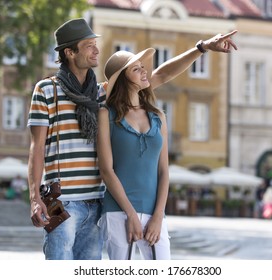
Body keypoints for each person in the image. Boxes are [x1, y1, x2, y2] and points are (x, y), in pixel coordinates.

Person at [27, 17, 237, 260]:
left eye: (96, 43)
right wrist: (34, 198)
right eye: (89, 45)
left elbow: (160, 75)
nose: (97, 49)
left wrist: (201, 48)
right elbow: (37, 148)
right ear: (70, 52)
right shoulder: (46, 90)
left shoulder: (99, 93)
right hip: (61, 202)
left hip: (96, 202)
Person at [97, 31, 237, 259]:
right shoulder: (106, 114)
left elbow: (164, 171)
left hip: (154, 213)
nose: (145, 71)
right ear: (122, 78)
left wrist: (159, 216)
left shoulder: (157, 117)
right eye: (136, 68)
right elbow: (106, 170)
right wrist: (130, 215)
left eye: (143, 67)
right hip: (118, 211)